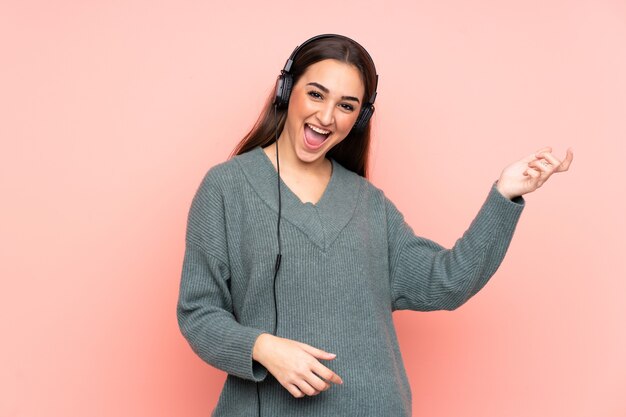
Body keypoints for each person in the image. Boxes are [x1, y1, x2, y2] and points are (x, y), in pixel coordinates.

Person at [177, 34, 573, 417]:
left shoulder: (369, 203)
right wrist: (262, 347)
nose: (327, 117)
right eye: (316, 94)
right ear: (286, 90)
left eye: (347, 106)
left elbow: (447, 281)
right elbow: (198, 311)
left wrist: (504, 195)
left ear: (361, 117)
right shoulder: (226, 187)